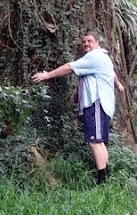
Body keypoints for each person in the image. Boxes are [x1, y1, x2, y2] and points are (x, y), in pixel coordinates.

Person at [32, 30, 124, 184]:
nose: (86, 44)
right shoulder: (103, 57)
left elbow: (70, 67)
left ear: (97, 43)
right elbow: (112, 74)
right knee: (99, 142)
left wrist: (47, 75)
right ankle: (106, 176)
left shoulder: (94, 57)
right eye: (84, 42)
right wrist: (118, 84)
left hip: (96, 103)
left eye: (89, 41)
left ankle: (102, 180)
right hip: (101, 104)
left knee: (94, 141)